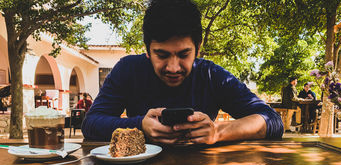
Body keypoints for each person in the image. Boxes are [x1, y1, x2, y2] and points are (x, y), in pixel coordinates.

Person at [82, 0, 283, 143]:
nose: (173, 67)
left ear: (198, 47)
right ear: (147, 50)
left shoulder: (211, 75)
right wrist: (140, 126)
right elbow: (91, 123)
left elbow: (272, 121)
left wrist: (218, 132)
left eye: (184, 54)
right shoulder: (128, 69)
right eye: (161, 55)